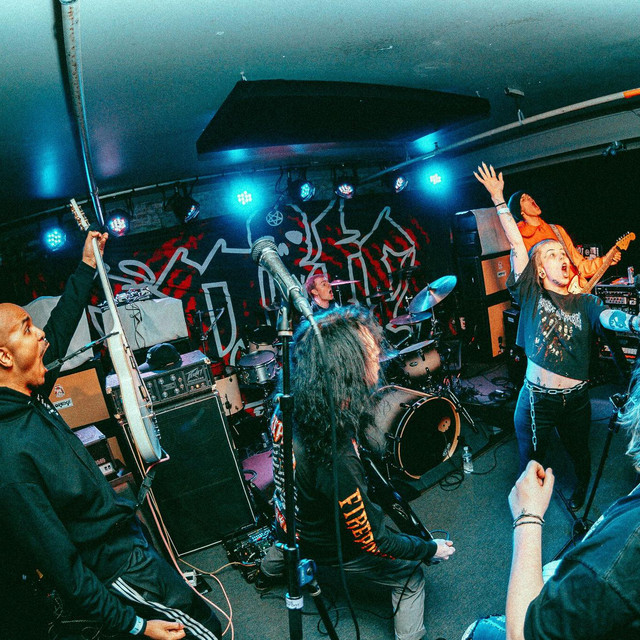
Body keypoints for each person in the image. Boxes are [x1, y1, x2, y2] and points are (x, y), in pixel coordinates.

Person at [0, 231, 221, 640]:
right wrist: (135, 625)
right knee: (203, 630)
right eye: (27, 329)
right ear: (4, 356)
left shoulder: (28, 396)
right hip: (118, 568)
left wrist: (87, 265)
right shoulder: (9, 455)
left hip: (127, 545)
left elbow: (60, 328)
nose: (41, 333)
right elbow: (61, 565)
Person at [263, 305, 455, 640]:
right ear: (346, 369)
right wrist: (428, 549)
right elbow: (373, 540)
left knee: (285, 543)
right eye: (368, 352)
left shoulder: (286, 405)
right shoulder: (336, 454)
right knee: (410, 578)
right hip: (324, 543)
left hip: (287, 523)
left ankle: (268, 568)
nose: (377, 356)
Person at [474, 163, 640, 511]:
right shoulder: (531, 294)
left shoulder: (585, 301)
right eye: (552, 255)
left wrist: (635, 322)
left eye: (563, 254)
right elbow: (517, 244)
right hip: (536, 400)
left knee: (580, 452)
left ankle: (582, 487)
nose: (562, 259)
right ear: (538, 269)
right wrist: (499, 200)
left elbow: (609, 317)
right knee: (531, 460)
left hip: (576, 400)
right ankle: (531, 512)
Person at [462, 363, 640, 639]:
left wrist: (527, 517)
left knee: (479, 631)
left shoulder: (621, 552)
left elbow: (522, 635)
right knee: (549, 570)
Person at [507, 189, 620, 291]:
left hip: (576, 295)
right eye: (524, 199)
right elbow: (524, 282)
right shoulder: (520, 241)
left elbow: (579, 265)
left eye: (529, 196)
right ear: (520, 211)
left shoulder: (556, 230)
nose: (530, 198)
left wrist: (606, 260)